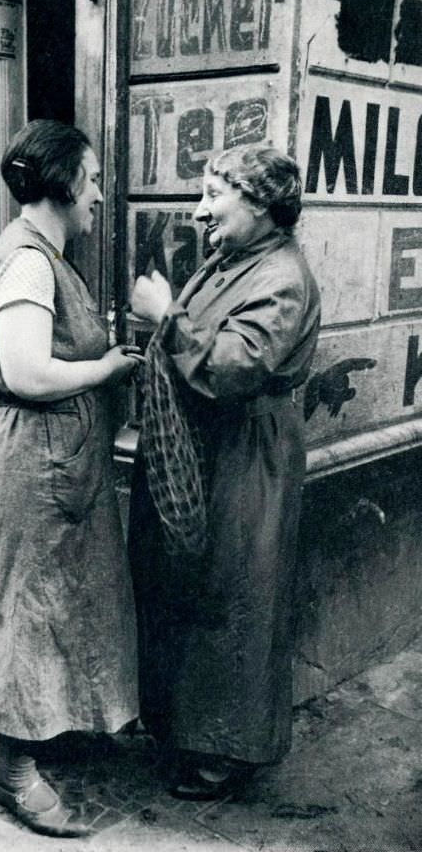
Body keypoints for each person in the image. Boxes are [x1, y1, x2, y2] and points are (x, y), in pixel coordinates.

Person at [0, 120, 141, 837]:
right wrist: (105, 368)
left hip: (54, 463)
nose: (99, 193)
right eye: (92, 179)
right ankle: (12, 773)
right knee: (28, 617)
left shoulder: (46, 256)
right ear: (65, 184)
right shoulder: (30, 262)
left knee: (54, 608)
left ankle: (46, 734)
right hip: (31, 464)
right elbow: (28, 370)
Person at [128, 144, 321, 800]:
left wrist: (166, 318)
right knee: (194, 587)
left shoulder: (283, 276)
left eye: (215, 195)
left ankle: (224, 752)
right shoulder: (232, 259)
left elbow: (236, 370)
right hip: (208, 447)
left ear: (264, 207)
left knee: (237, 597)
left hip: (249, 454)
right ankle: (186, 726)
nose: (199, 208)